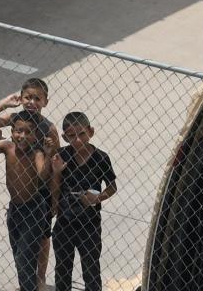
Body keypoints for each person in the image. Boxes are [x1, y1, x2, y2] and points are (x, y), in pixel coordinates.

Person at [0, 78, 60, 288]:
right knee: (24, 244)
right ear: (21, 98)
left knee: (43, 238)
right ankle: (30, 279)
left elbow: (57, 164)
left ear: (45, 102)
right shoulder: (15, 118)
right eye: (28, 97)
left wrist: (55, 198)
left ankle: (40, 276)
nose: (32, 102)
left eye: (37, 98)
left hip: (43, 192)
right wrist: (3, 105)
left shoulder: (48, 128)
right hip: (20, 192)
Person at [49, 112, 117, 291]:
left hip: (90, 224)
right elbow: (54, 189)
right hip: (64, 221)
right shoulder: (62, 155)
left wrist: (98, 197)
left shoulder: (101, 158)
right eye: (71, 136)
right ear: (64, 137)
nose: (77, 140)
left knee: (91, 270)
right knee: (62, 270)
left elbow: (112, 187)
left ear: (91, 132)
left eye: (82, 134)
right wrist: (56, 172)